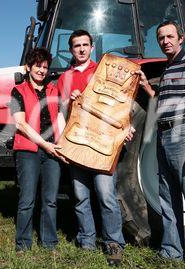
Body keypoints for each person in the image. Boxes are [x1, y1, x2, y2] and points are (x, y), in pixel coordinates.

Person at [138, 21, 185, 269]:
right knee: (168, 198)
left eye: (170, 36)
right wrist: (146, 87)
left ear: (180, 38)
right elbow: (163, 102)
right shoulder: (169, 66)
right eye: (161, 38)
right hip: (164, 134)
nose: (165, 41)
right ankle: (172, 252)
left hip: (183, 134)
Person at [57, 29, 125, 266]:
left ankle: (113, 243)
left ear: (92, 46)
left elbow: (120, 104)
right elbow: (60, 114)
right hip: (76, 143)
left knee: (106, 195)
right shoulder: (64, 79)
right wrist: (61, 144)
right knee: (80, 196)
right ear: (71, 49)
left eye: (85, 44)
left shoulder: (103, 71)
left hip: (102, 144)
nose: (82, 49)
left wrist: (125, 128)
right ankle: (86, 241)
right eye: (77, 46)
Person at [10, 48, 67, 253]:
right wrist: (46, 145)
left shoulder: (53, 90)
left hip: (52, 149)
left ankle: (49, 242)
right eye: (38, 66)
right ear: (28, 67)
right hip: (28, 150)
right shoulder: (18, 91)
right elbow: (21, 125)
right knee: (27, 199)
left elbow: (59, 117)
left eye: (45, 67)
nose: (42, 70)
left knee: (50, 200)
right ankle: (23, 244)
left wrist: (59, 143)